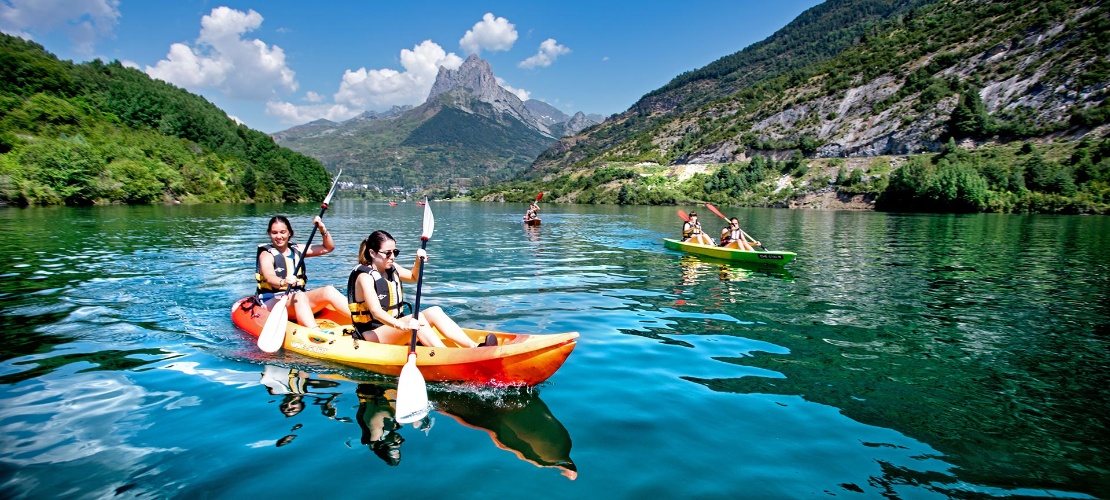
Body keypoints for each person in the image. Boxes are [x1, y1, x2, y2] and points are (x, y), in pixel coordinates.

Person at [347, 230, 497, 348]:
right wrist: (401, 324)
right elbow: (376, 312)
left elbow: (413, 277)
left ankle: (474, 346)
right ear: (372, 253)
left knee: (434, 311)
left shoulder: (392, 268)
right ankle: (445, 355)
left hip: (392, 328)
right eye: (387, 253)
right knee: (416, 318)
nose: (392, 257)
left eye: (395, 252)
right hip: (371, 334)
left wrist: (418, 261)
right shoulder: (364, 277)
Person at [256, 215, 351, 330]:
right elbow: (269, 277)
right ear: (269, 234)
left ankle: (364, 319)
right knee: (299, 296)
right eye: (274, 233)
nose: (279, 236)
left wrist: (322, 228)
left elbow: (328, 247)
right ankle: (315, 332)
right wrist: (283, 281)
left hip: (296, 298)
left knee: (328, 290)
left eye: (283, 232)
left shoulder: (297, 249)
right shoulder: (266, 254)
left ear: (289, 233)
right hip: (273, 300)